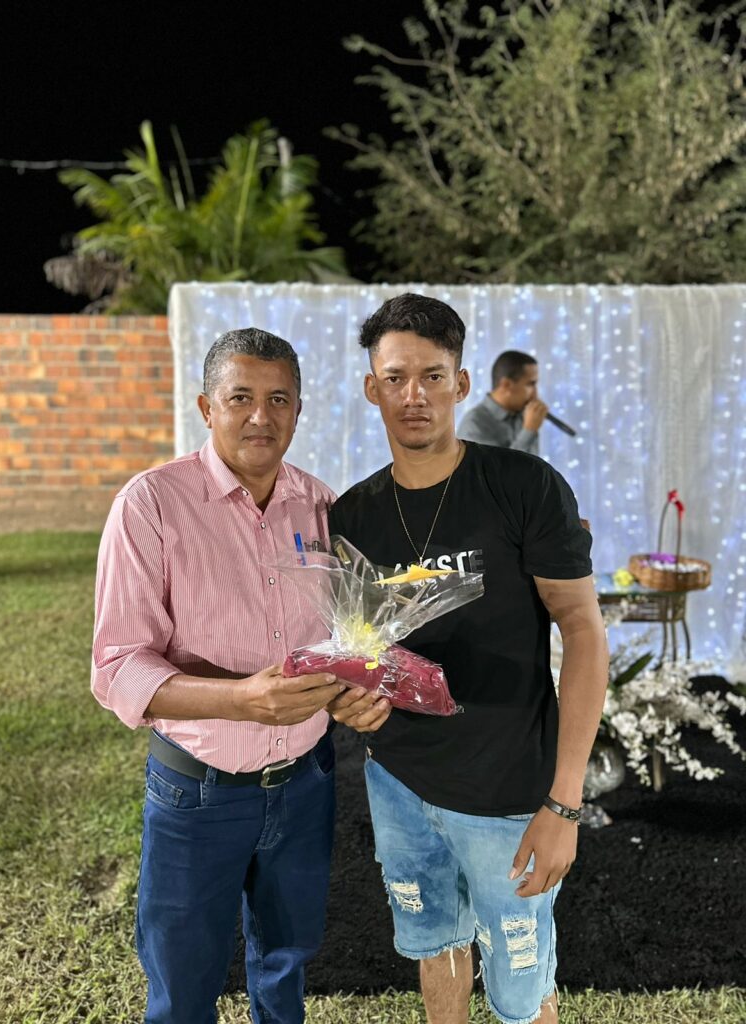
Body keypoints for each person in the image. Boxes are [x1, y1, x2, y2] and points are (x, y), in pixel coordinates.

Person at [91, 327, 388, 1024]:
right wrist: (242, 700)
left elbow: (348, 636)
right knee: (182, 986)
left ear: (299, 410)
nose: (261, 415)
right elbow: (118, 666)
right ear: (206, 407)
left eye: (279, 399)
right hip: (199, 791)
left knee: (286, 967)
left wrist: (360, 688)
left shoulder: (322, 506)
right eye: (241, 397)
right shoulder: (151, 505)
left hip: (305, 784)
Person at [328, 294, 608, 1024]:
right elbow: (363, 652)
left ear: (460, 383)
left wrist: (563, 802)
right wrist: (347, 699)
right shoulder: (352, 516)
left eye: (431, 376)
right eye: (395, 378)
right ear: (372, 389)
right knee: (435, 947)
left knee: (522, 989)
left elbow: (583, 631)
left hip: (507, 791)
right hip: (398, 779)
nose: (413, 396)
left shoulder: (523, 487)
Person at [457, 349, 547, 453]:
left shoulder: (524, 417)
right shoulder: (474, 423)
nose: (536, 395)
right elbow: (495, 464)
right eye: (530, 384)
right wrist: (529, 431)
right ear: (506, 385)